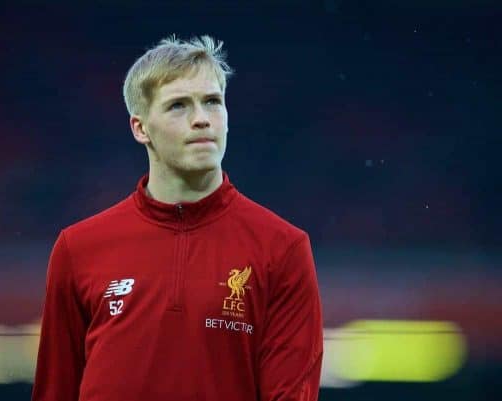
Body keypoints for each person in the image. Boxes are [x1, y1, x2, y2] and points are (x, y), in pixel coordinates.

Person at [31, 34, 323, 401]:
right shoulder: (78, 248)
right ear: (140, 128)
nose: (201, 119)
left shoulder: (282, 248)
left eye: (212, 102)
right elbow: (54, 390)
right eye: (178, 106)